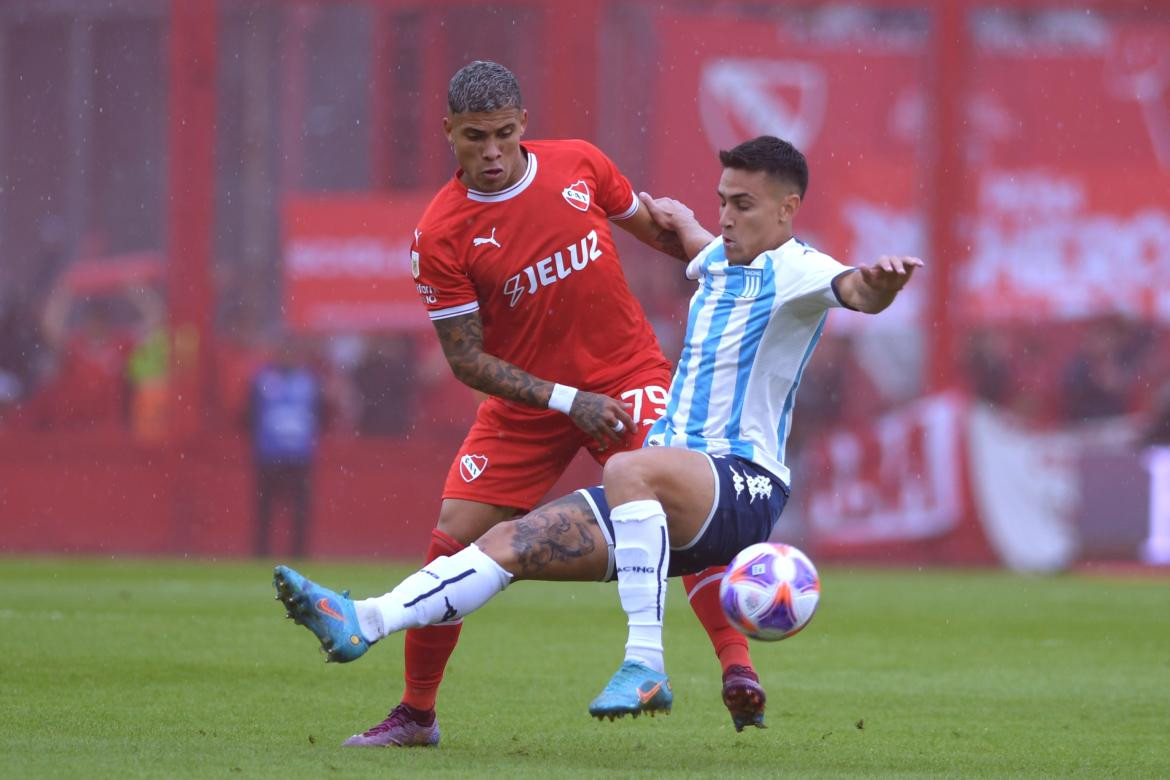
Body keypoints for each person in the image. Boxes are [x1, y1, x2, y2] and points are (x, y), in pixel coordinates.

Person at [275, 135, 922, 731]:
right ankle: (365, 621)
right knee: (502, 544)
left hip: (741, 483)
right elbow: (706, 254)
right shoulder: (722, 263)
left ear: (788, 210)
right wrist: (690, 224)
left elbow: (853, 289)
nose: (726, 216)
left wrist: (879, 283)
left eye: (743, 205)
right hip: (672, 479)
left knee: (631, 468)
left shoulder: (801, 269)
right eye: (722, 201)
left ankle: (647, 664)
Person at [332, 59, 764, 747]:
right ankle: (417, 714)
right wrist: (569, 401)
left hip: (626, 374)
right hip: (529, 401)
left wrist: (719, 258)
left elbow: (655, 234)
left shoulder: (580, 166)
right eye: (476, 137)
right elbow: (466, 360)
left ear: (525, 123)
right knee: (452, 537)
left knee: (671, 491)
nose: (494, 151)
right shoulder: (440, 235)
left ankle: (737, 668)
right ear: (448, 131)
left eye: (505, 133)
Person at [245, 335, 327, 558]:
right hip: (270, 453)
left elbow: (322, 413)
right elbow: (248, 414)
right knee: (265, 509)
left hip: (299, 455)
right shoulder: (262, 379)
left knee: (299, 510)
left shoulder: (308, 380)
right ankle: (261, 553)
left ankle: (298, 553)